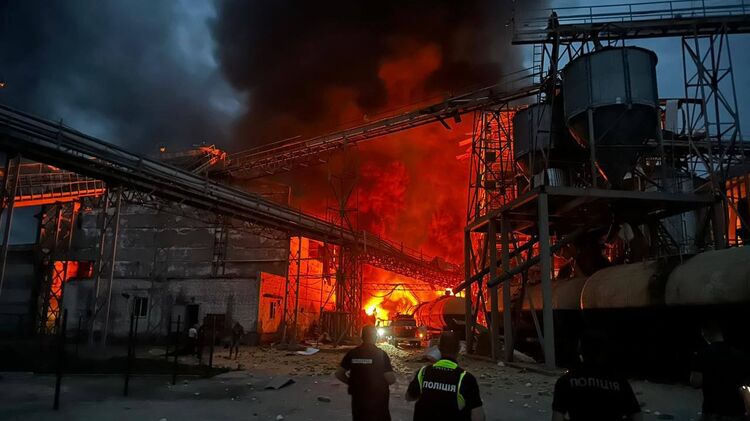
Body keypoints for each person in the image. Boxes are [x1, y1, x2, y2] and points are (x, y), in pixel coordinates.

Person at [552, 330, 642, 421]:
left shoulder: (565, 381)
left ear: (581, 351)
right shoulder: (620, 382)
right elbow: (636, 415)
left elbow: (557, 417)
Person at [406, 331, 485, 421]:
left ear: (439, 348)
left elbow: (409, 397)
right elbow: (478, 417)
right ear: (459, 349)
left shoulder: (423, 372)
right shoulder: (466, 379)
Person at [690, 322, 750, 421]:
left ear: (704, 334)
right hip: (736, 412)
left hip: (712, 411)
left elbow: (695, 383)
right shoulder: (740, 355)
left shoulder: (702, 354)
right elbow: (746, 387)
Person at [335, 325, 397, 421]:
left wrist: (352, 382)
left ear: (362, 337)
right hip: (378, 401)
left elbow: (339, 373)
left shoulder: (353, 353)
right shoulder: (380, 354)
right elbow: (390, 379)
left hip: (358, 401)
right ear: (375, 337)